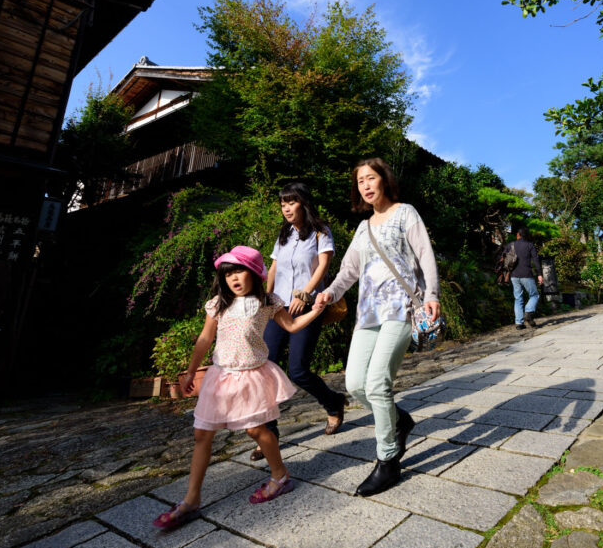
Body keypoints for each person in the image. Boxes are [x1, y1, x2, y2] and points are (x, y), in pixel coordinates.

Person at [153, 246, 325, 529]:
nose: (233, 278)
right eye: (228, 273)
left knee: (256, 430)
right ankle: (191, 499)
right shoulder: (218, 303)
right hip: (219, 377)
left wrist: (316, 310)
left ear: (255, 273)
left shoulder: (267, 301)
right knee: (201, 434)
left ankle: (280, 476)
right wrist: (191, 371)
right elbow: (205, 338)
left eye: (239, 271)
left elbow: (292, 326)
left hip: (250, 376)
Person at [315, 158, 439, 497]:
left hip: (400, 309)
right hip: (368, 314)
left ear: (384, 180)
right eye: (360, 182)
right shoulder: (362, 228)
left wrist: (432, 293)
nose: (366, 185)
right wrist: (328, 293)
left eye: (371, 178)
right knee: (356, 385)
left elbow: (425, 255)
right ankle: (400, 421)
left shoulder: (405, 213)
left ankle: (388, 460)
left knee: (377, 383)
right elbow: (347, 273)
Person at [248, 183, 348, 462]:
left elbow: (324, 266)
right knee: (266, 368)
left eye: (291, 203)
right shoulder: (283, 235)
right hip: (278, 308)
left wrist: (305, 294)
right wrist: (267, 298)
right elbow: (275, 268)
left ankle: (333, 402)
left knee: (299, 371)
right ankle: (270, 434)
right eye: (283, 204)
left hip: (308, 307)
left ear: (303, 203)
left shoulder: (321, 232)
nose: (287, 209)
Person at [509, 226, 543, 330]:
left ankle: (519, 323)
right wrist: (539, 274)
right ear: (526, 235)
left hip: (514, 275)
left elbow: (503, 257)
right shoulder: (529, 245)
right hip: (527, 275)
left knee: (518, 298)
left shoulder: (511, 245)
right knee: (534, 295)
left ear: (518, 235)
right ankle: (528, 312)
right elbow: (536, 260)